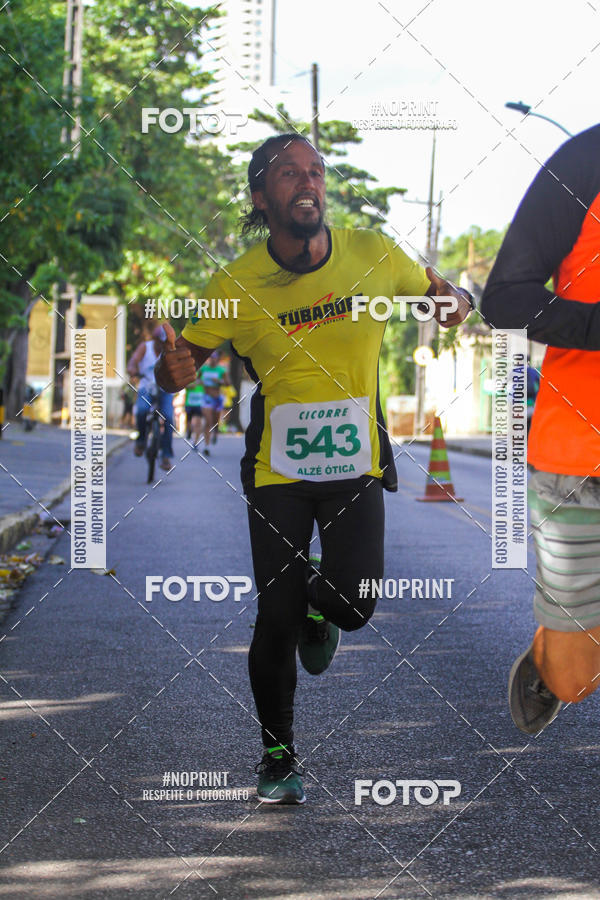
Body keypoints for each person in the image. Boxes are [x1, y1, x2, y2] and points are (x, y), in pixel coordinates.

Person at [156, 133, 472, 803]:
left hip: (355, 463)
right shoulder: (235, 282)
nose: (307, 181)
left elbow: (444, 297)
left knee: (355, 605)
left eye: (315, 171)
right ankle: (277, 756)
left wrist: (457, 303)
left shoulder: (373, 253)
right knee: (274, 616)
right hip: (278, 468)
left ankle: (318, 613)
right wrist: (172, 369)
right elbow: (180, 358)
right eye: (288, 173)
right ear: (261, 197)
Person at [481, 124, 600, 735]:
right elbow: (504, 299)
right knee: (575, 679)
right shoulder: (585, 160)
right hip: (579, 457)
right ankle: (555, 654)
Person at [127, 325, 175, 471]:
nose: (162, 345)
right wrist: (132, 369)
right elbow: (133, 361)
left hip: (165, 388)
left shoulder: (170, 352)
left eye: (164, 342)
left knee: (168, 416)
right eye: (160, 342)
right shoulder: (145, 348)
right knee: (141, 410)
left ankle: (166, 454)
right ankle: (141, 440)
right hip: (146, 386)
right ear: (154, 339)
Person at [198, 349, 229, 456]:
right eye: (211, 358)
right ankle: (207, 446)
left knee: (215, 422)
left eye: (214, 358)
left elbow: (228, 383)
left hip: (217, 399)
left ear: (217, 359)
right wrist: (200, 382)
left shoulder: (221, 370)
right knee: (208, 421)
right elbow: (196, 379)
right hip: (206, 398)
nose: (212, 360)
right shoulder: (204, 369)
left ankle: (215, 432)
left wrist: (219, 381)